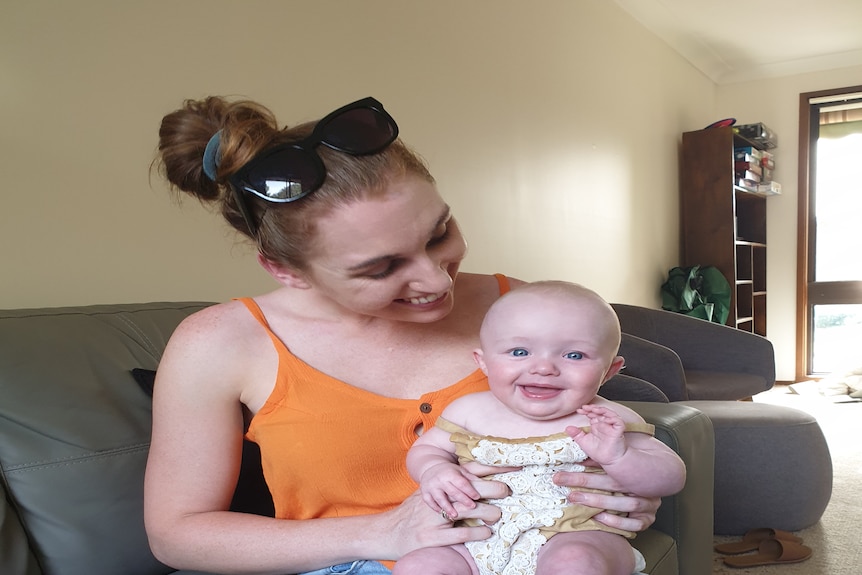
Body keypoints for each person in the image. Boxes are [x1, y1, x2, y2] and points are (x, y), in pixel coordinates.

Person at [144, 95, 663, 575]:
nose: (438, 280)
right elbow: (177, 534)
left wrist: (624, 488)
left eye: (439, 233)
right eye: (381, 268)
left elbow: (589, 436)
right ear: (285, 270)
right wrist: (383, 532)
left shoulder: (521, 309)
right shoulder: (218, 343)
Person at [392, 281, 687, 575]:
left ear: (609, 370)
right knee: (417, 566)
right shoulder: (468, 411)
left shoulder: (607, 419)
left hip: (576, 534)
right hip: (476, 540)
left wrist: (619, 457)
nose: (544, 368)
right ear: (483, 362)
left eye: (574, 355)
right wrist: (434, 471)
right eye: (519, 352)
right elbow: (428, 449)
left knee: (576, 563)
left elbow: (671, 476)